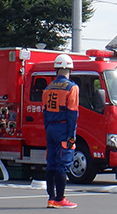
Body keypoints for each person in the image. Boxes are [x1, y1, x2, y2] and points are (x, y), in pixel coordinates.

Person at [42, 54, 80, 209]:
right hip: (64, 129)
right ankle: (60, 198)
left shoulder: (48, 88)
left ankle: (51, 198)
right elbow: (72, 113)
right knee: (63, 163)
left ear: (56, 69)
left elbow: (44, 112)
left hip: (50, 128)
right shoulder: (72, 88)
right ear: (69, 69)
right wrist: (71, 135)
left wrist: (48, 129)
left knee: (51, 163)